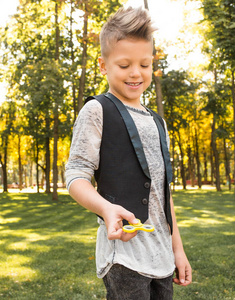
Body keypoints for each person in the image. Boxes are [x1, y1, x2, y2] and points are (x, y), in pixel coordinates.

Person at [65, 6, 192, 299]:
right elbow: (75, 174)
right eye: (124, 65)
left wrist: (178, 250)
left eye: (144, 65)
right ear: (103, 65)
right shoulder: (97, 110)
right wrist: (106, 209)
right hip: (124, 258)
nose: (136, 73)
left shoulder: (158, 122)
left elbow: (164, 194)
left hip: (162, 258)